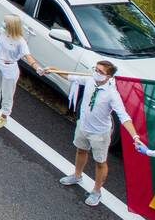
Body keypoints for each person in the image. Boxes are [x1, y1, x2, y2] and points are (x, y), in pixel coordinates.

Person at [49, 60, 143, 207]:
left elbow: (124, 116)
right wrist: (53, 69)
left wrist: (135, 136)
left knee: (100, 162)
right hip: (83, 126)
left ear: (109, 76)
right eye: (96, 69)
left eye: (100, 72)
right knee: (81, 151)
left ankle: (97, 191)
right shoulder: (89, 79)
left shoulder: (112, 94)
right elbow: (69, 76)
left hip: (100, 134)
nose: (96, 73)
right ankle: (77, 175)